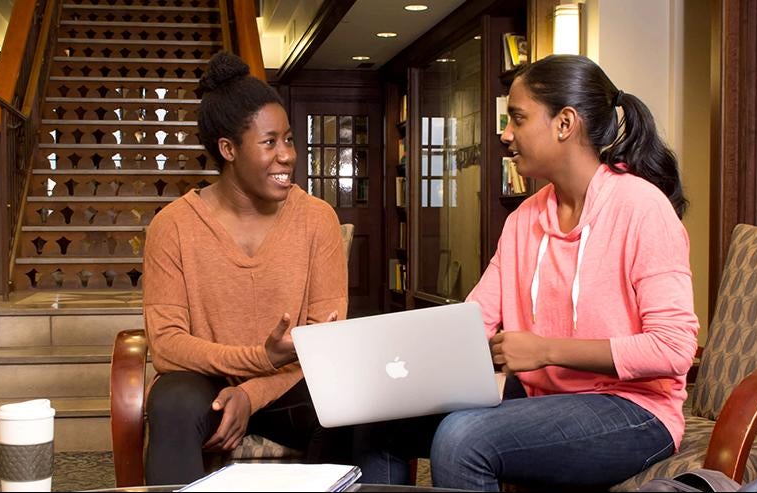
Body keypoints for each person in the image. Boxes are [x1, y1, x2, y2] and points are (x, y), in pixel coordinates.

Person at [353, 55, 699, 490]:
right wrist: (393, 365)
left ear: (564, 123)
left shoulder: (642, 208)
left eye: (517, 118)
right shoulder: (524, 218)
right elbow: (475, 319)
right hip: (544, 396)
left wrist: (545, 350)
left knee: (463, 438)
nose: (505, 134)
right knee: (377, 424)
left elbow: (673, 349)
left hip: (635, 410)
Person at [141, 51, 348, 485]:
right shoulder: (173, 226)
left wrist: (250, 395)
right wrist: (258, 358)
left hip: (289, 386)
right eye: (270, 142)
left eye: (289, 140)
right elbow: (167, 345)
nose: (287, 156)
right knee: (172, 403)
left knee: (347, 403)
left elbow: (324, 340)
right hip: (206, 385)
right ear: (228, 149)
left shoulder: (317, 219)